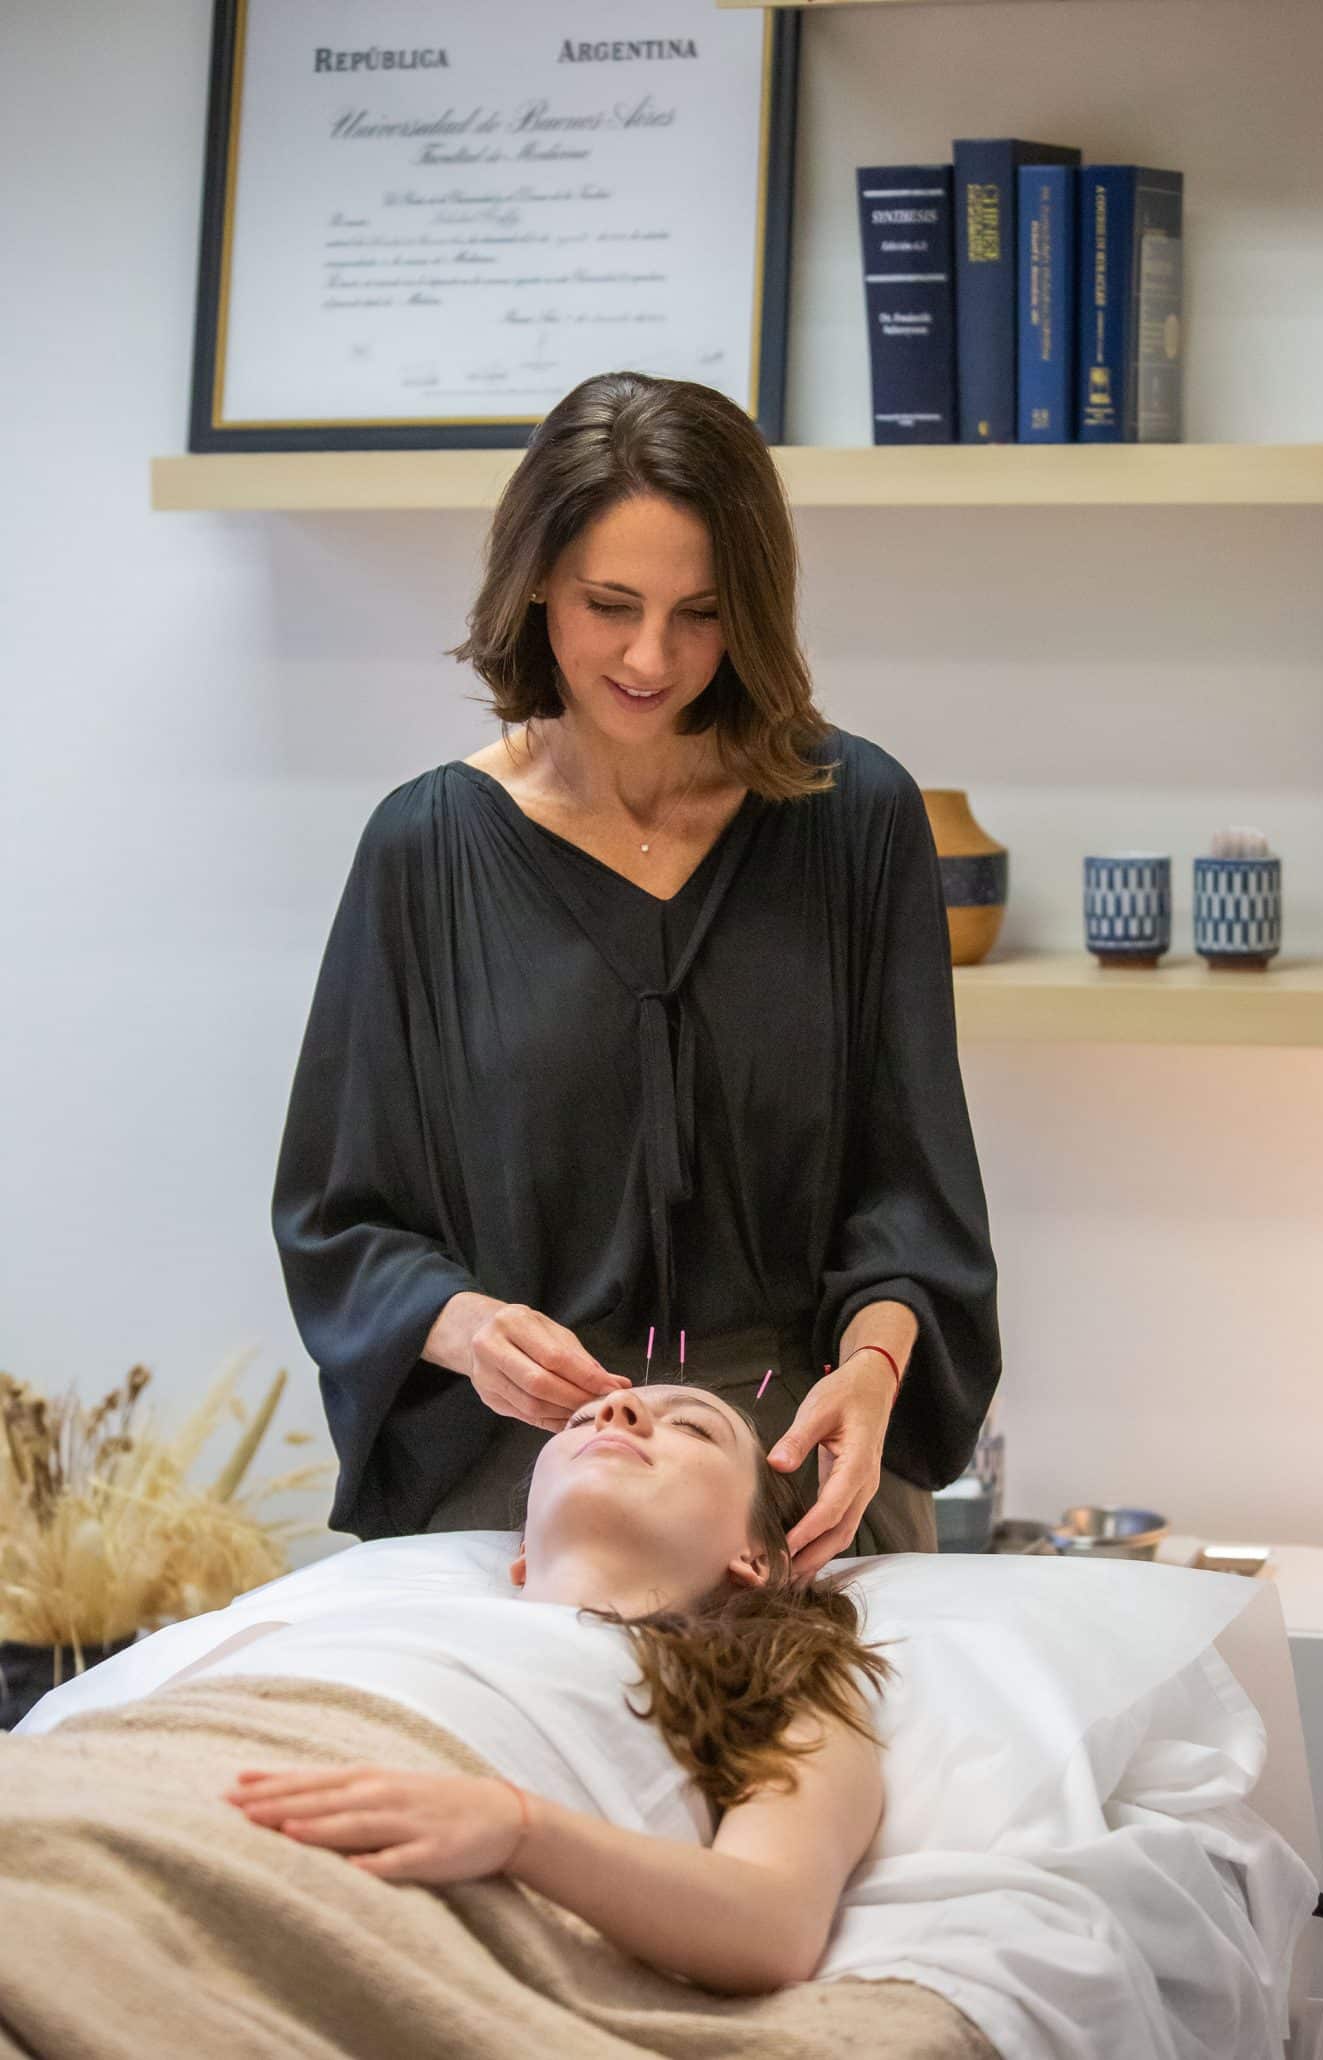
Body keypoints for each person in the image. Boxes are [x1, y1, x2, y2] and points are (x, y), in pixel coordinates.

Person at [270, 368, 1002, 1576]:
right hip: (527, 1477)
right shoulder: (424, 851)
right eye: (609, 602)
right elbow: (340, 1221)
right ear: (534, 583)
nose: (651, 657)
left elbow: (910, 1197)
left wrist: (873, 1374)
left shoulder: (853, 816)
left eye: (701, 612)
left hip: (801, 1488)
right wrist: (466, 1328)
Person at [187, 1377, 901, 1994]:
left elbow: (772, 1924)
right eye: (580, 1419)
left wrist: (517, 1829)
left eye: (690, 1426)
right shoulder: (348, 1620)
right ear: (522, 1550)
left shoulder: (767, 1684)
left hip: (325, 1901)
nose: (614, 1410)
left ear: (759, 1557)